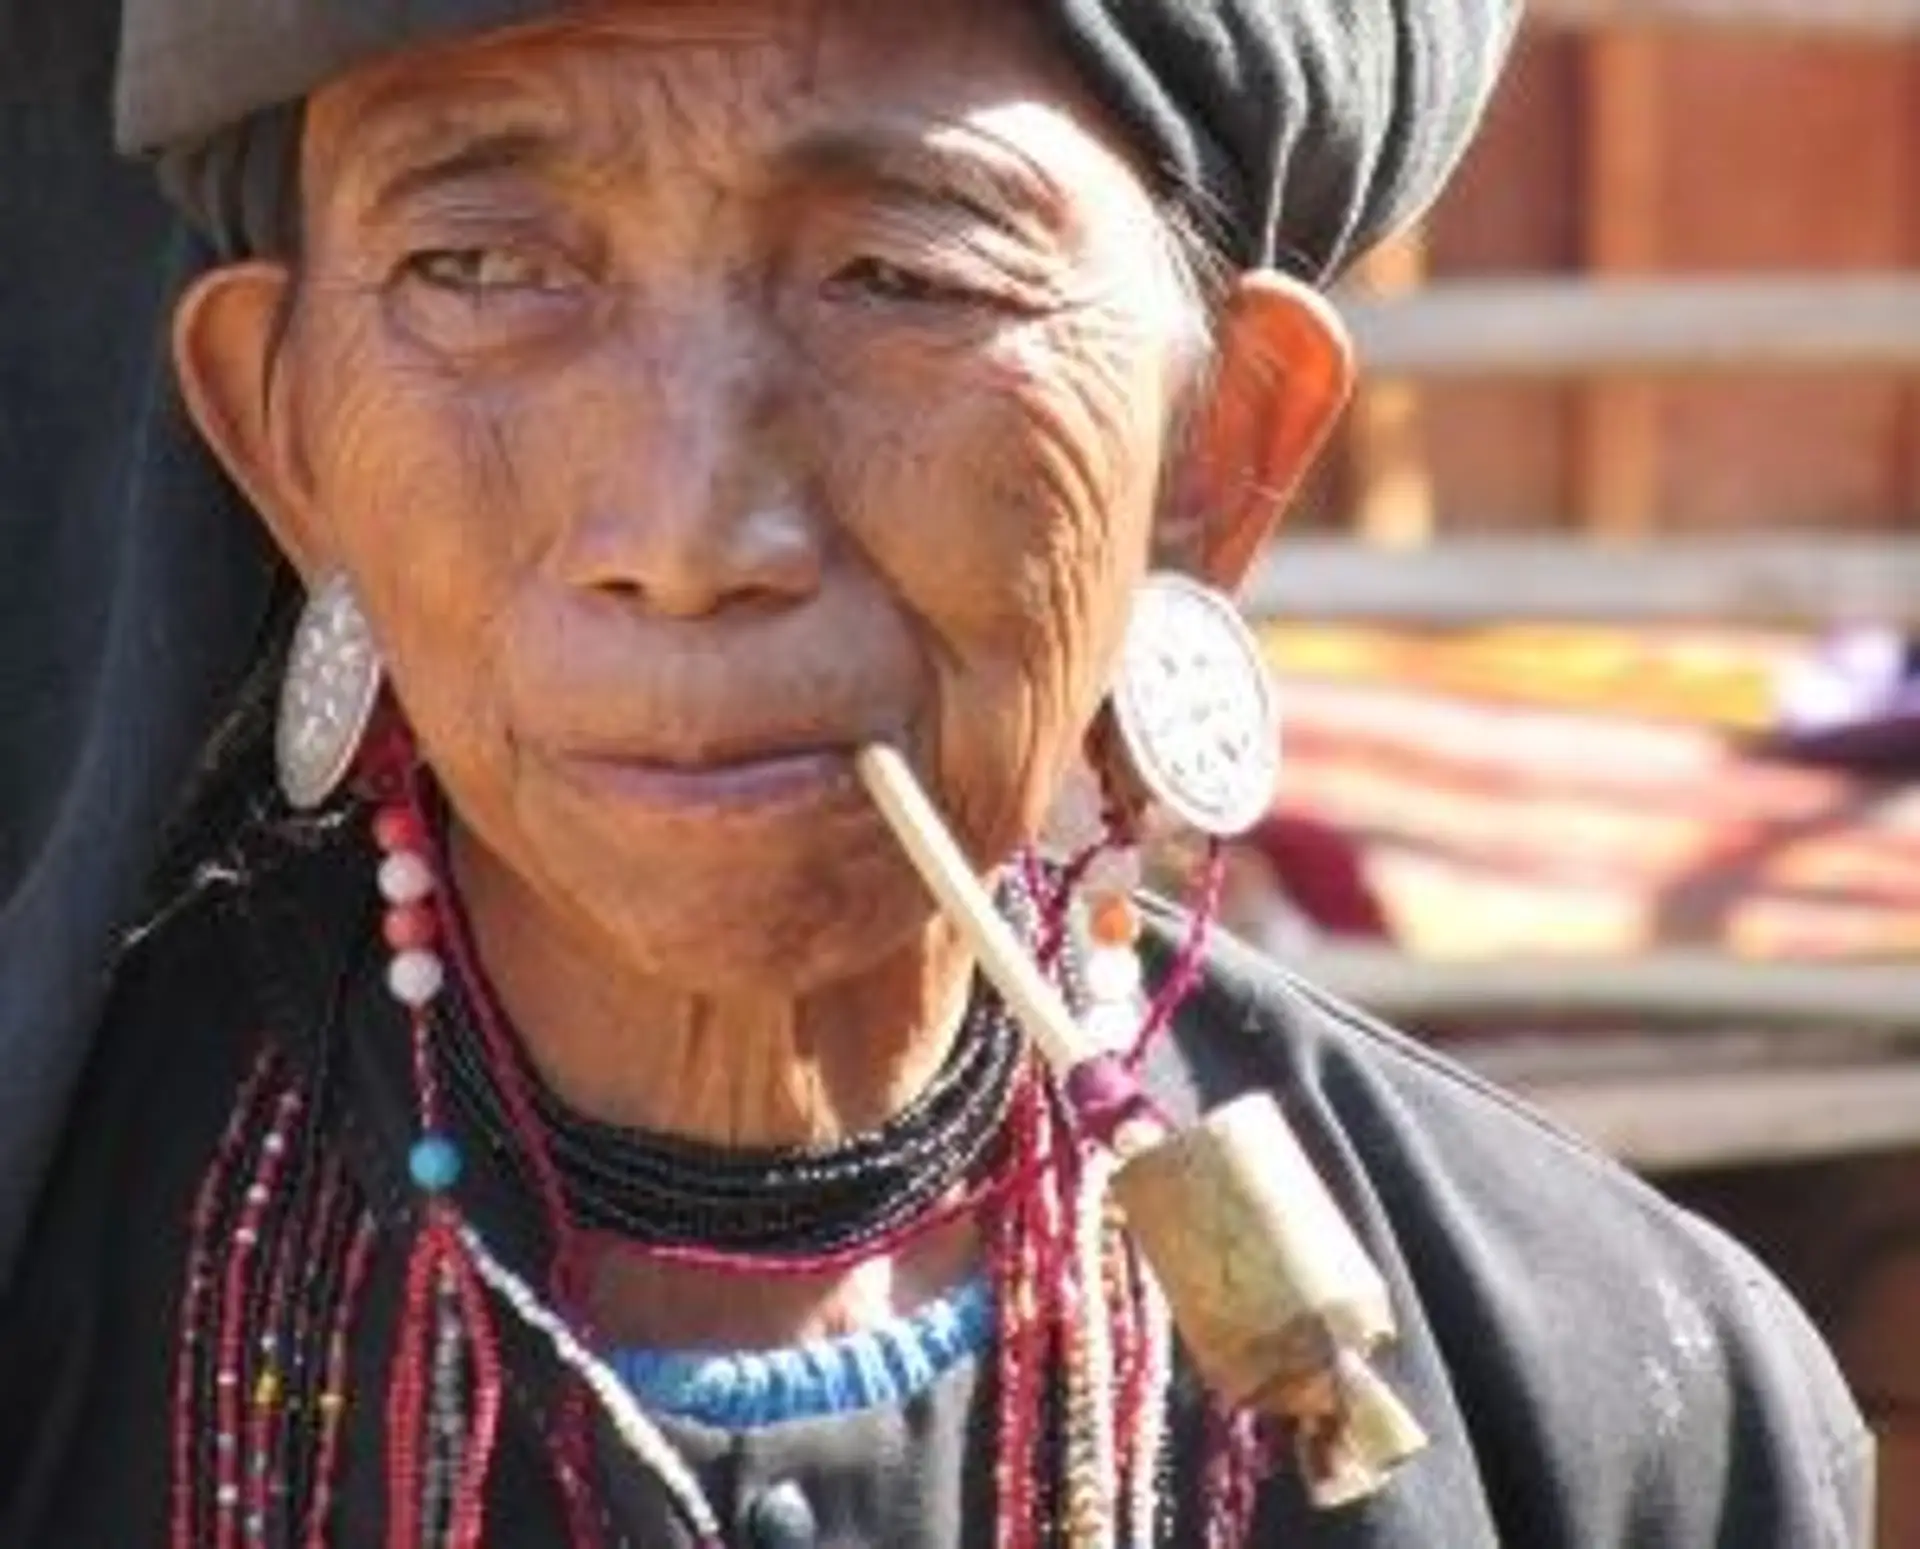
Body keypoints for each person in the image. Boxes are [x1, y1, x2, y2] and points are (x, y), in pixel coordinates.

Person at [0, 0, 1872, 1545]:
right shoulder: (62, 1300)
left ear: (1220, 445)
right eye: (482, 267)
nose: (690, 526)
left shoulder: (1609, 1412)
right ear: (283, 433)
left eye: (901, 276)